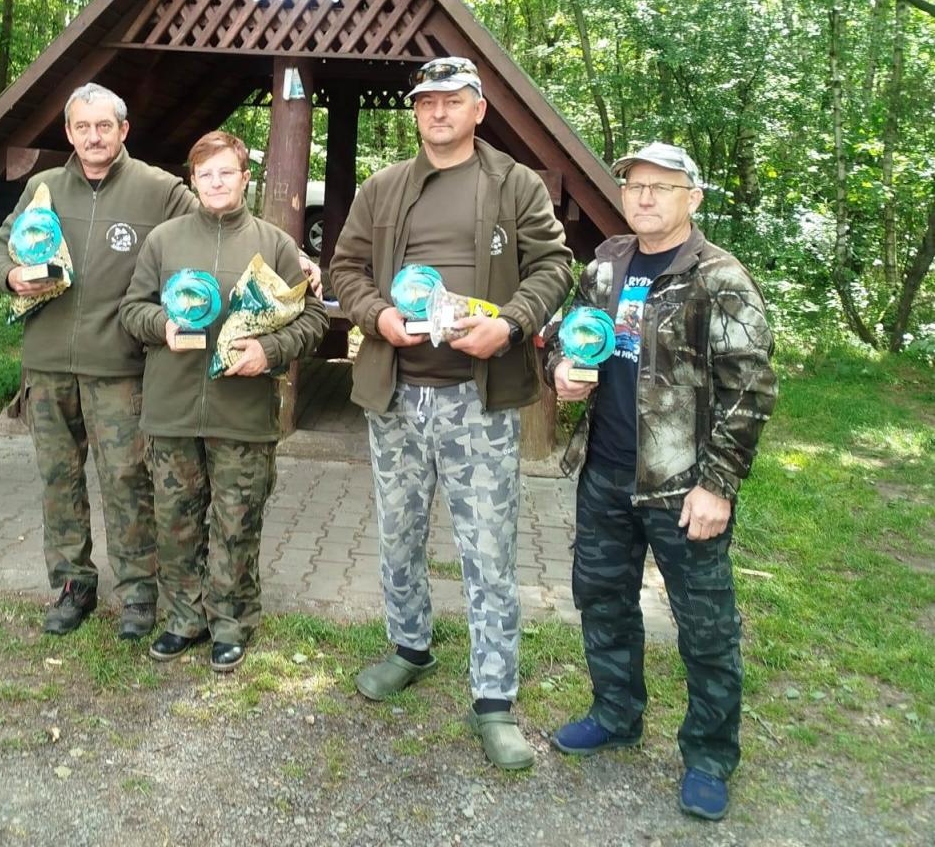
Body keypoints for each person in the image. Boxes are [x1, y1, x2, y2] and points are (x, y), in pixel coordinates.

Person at [329, 56, 572, 770]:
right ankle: (410, 647)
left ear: (478, 109)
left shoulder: (514, 185)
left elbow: (553, 267)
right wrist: (377, 318)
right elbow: (343, 267)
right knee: (398, 533)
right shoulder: (385, 188)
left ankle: (495, 699)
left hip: (479, 397)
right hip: (399, 391)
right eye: (427, 102)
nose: (438, 112)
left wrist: (514, 324)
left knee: (489, 548)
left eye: (452, 101)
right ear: (416, 112)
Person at [546, 142, 776, 822]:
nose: (644, 197)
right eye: (634, 185)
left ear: (692, 197)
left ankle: (709, 755)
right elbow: (568, 334)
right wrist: (559, 371)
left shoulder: (717, 278)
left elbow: (750, 389)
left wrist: (719, 485)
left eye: (662, 187)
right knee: (603, 599)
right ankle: (616, 714)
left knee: (704, 625)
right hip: (607, 472)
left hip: (683, 486)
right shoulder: (608, 263)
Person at [0, 84, 197, 640]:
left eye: (105, 126)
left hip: (120, 368)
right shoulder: (44, 187)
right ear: (69, 133)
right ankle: (73, 584)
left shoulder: (158, 190)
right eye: (83, 127)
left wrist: (290, 256)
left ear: (123, 130)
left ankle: (138, 593)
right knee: (59, 479)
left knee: (127, 480)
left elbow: (214, 229)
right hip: (48, 364)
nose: (94, 136)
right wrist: (9, 274)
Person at [120, 131, 328, 672]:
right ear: (193, 180)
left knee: (237, 520)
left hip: (243, 412)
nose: (216, 183)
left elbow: (314, 318)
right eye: (206, 174)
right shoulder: (163, 241)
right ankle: (183, 618)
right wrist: (162, 323)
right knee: (176, 520)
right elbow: (131, 310)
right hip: (171, 410)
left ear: (244, 178)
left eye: (226, 173)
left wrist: (270, 349)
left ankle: (231, 621)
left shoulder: (276, 244)